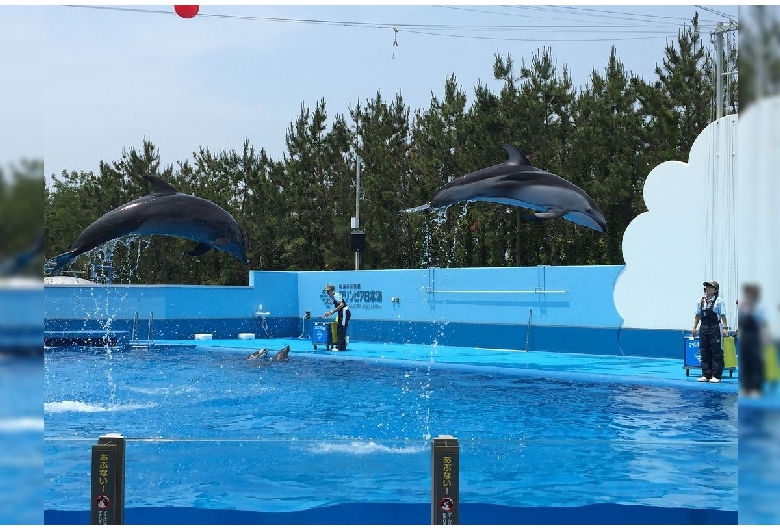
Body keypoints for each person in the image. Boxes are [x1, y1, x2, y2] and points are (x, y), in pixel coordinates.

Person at [692, 280, 729, 383]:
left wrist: (725, 328)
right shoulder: (701, 300)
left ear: (716, 290)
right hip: (703, 327)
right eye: (707, 287)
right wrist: (694, 328)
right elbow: (697, 315)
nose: (708, 288)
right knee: (704, 350)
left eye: (710, 287)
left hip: (715, 327)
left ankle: (716, 375)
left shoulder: (719, 301)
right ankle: (705, 374)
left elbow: (723, 316)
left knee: (716, 352)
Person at [736, 283, 770, 397]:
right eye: (747, 293)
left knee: (755, 363)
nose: (749, 295)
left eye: (751, 293)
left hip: (755, 337)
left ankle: (756, 388)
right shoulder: (743, 307)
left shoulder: (759, 307)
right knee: (745, 363)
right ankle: (747, 387)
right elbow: (741, 323)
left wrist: (764, 338)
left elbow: (763, 325)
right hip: (745, 337)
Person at [323, 283, 351, 351]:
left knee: (341, 328)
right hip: (341, 313)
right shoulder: (333, 296)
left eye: (328, 291)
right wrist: (330, 313)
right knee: (339, 328)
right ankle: (341, 345)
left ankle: (341, 347)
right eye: (326, 291)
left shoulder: (335, 295)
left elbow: (342, 304)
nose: (327, 292)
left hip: (344, 312)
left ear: (332, 290)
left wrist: (332, 311)